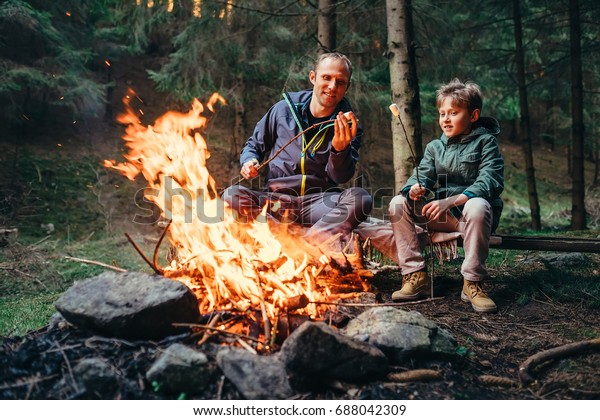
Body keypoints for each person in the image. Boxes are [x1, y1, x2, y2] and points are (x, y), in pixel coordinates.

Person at [222, 52, 372, 257]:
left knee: (361, 199)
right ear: (313, 77)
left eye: (340, 82)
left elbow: (340, 177)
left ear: (347, 87)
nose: (332, 87)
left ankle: (307, 242)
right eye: (326, 78)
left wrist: (339, 149)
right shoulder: (283, 111)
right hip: (276, 202)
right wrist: (249, 161)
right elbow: (253, 145)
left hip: (319, 203)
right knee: (231, 195)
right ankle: (294, 240)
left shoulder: (349, 125)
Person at [387, 78, 504, 313]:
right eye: (442, 113)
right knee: (398, 203)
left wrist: (453, 200)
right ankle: (415, 276)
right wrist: (415, 189)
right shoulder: (435, 148)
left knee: (477, 205)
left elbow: (491, 180)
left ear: (473, 116)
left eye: (454, 112)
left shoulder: (486, 142)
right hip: (445, 216)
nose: (446, 119)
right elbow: (419, 177)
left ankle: (472, 283)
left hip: (474, 218)